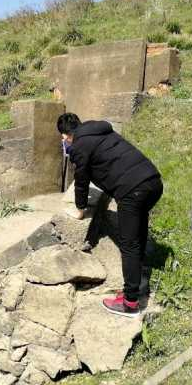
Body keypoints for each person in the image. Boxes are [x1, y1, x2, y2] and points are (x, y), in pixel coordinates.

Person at [57, 113, 163, 318]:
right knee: (139, 232)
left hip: (133, 190)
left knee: (129, 244)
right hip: (153, 180)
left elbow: (81, 179)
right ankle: (138, 282)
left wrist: (80, 209)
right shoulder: (102, 131)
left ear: (65, 136)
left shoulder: (79, 145)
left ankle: (130, 303)